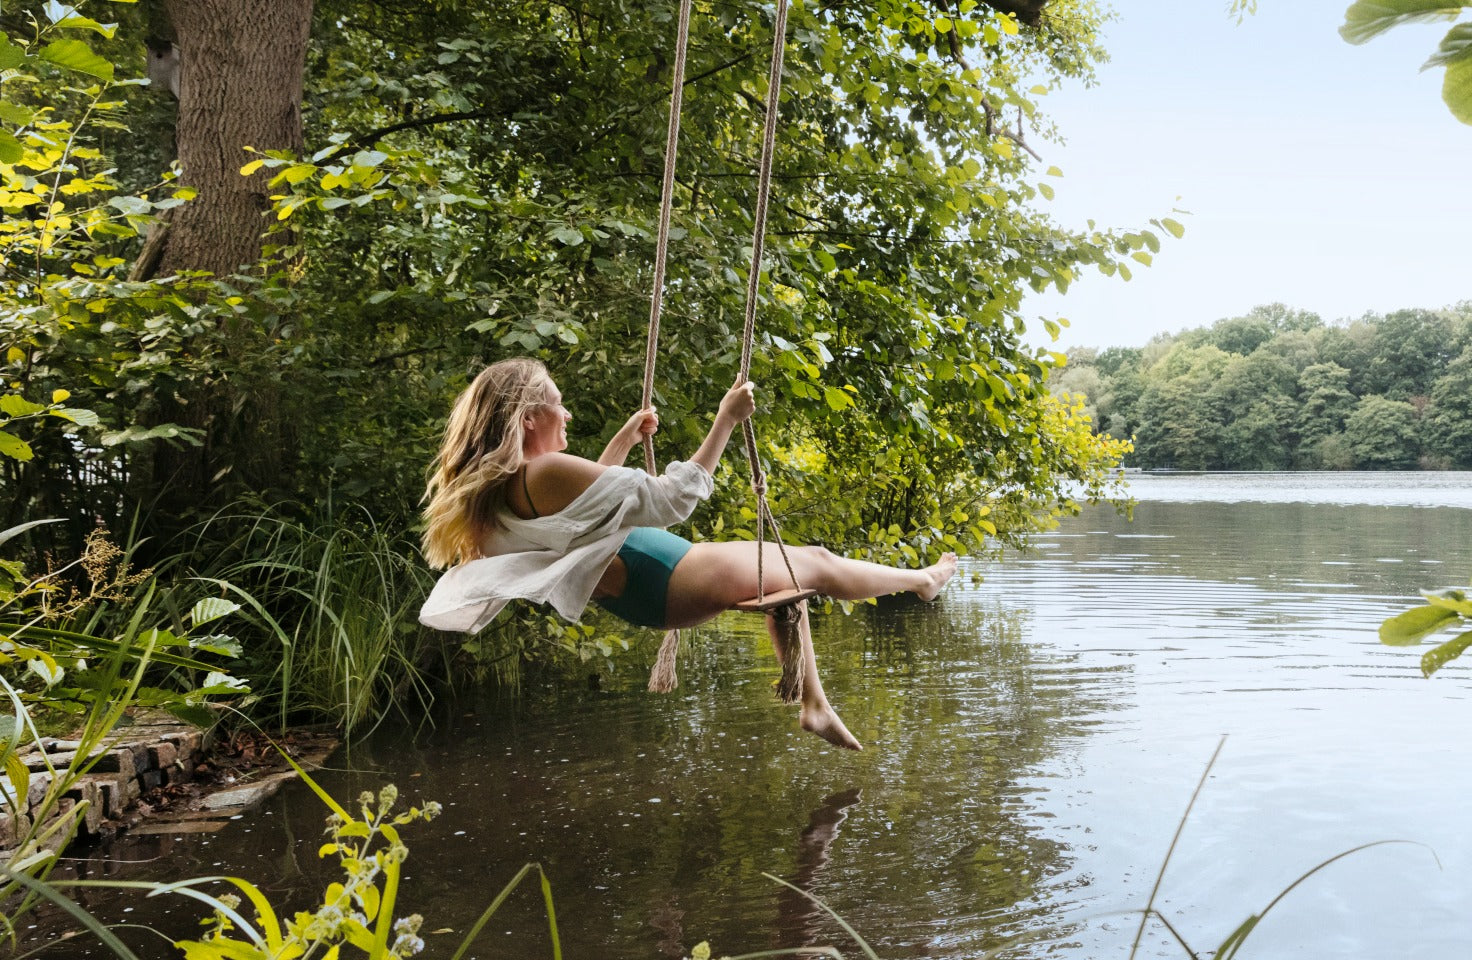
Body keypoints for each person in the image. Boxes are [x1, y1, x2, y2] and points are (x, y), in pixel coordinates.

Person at [419, 358, 957, 751]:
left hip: (652, 581)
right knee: (813, 562)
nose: (567, 412)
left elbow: (583, 518)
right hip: (667, 572)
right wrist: (727, 419)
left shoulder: (498, 495)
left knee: (784, 586)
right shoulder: (542, 473)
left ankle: (814, 703)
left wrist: (624, 442)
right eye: (557, 402)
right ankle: (921, 582)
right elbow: (671, 500)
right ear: (528, 418)